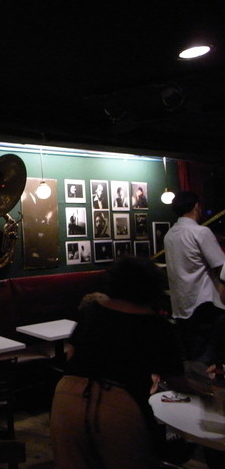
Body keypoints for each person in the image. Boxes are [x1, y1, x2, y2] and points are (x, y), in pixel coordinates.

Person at [50, 256, 204, 469]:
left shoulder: (91, 311)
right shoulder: (157, 326)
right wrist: (207, 392)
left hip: (67, 396)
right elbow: (177, 383)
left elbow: (71, 355)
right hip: (119, 405)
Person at [164, 191, 225, 373]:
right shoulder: (200, 232)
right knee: (208, 357)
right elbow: (221, 265)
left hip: (181, 305)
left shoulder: (169, 235)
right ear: (196, 207)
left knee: (192, 354)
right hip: (203, 303)